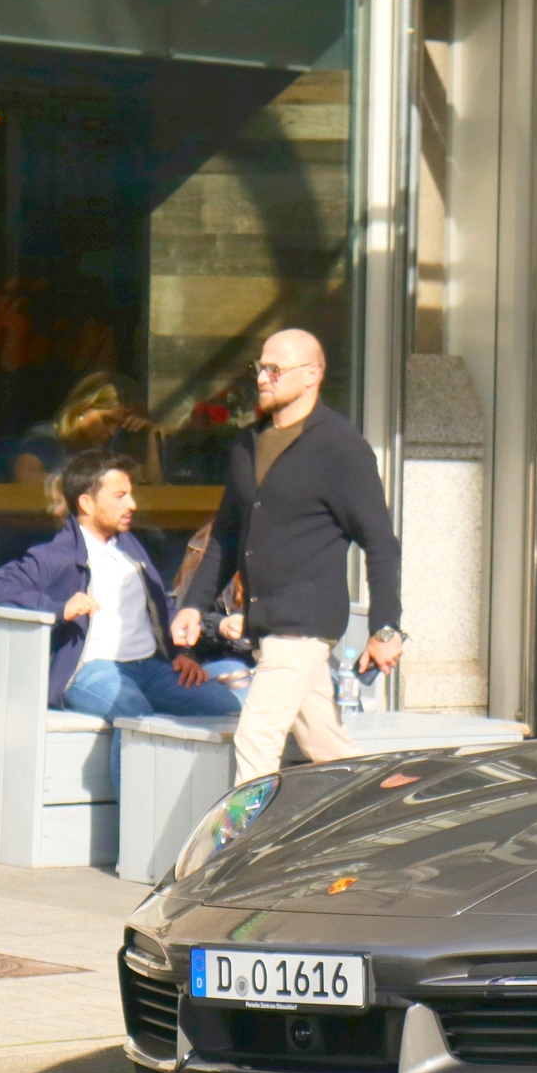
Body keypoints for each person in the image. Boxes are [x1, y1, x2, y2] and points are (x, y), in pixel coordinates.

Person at [171, 329, 403, 783]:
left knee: (255, 738)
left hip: (305, 624)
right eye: (259, 367)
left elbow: (379, 541)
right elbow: (226, 535)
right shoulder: (246, 444)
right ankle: (387, 822)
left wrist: (386, 626)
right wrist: (193, 605)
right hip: (265, 622)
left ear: (312, 374)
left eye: (275, 369)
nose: (263, 377)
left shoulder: (340, 446)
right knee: (328, 748)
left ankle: (242, 853)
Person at [0, 450, 239, 720]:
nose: (132, 505)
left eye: (130, 494)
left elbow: (162, 606)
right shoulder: (57, 555)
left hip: (152, 667)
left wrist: (180, 653)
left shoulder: (131, 549)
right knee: (134, 716)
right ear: (87, 504)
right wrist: (58, 608)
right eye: (120, 496)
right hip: (89, 670)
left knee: (227, 708)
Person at [14, 370, 158, 487]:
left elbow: (153, 483)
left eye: (118, 425)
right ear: (82, 408)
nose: (112, 431)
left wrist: (152, 435)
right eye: (107, 420)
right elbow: (25, 477)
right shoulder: (48, 436)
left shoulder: (114, 444)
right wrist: (93, 481)